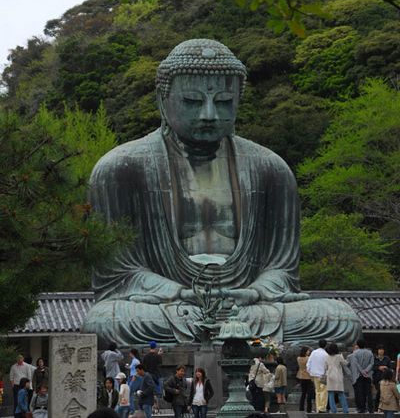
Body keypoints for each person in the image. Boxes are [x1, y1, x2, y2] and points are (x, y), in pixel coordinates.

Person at [82, 39, 361, 346]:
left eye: (224, 101)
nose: (209, 114)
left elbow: (281, 269)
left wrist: (253, 292)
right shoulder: (120, 168)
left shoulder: (271, 169)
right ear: (163, 99)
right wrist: (179, 293)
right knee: (105, 320)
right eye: (192, 101)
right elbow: (119, 274)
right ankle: (224, 333)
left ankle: (219, 332)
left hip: (249, 306)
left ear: (238, 100)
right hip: (171, 306)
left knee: (340, 318)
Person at [347, 339, 374, 413]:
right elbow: (371, 363)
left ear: (358, 345)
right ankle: (370, 408)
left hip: (358, 375)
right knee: (368, 393)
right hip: (367, 375)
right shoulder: (370, 352)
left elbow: (356, 363)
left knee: (360, 392)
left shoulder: (355, 353)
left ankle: (361, 408)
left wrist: (362, 371)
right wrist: (366, 371)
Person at [324, 342, 349, 414]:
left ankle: (333, 410)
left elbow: (325, 367)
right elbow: (345, 363)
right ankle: (345, 410)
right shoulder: (339, 356)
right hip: (338, 376)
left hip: (330, 376)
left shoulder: (327, 357)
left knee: (331, 394)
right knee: (341, 393)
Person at [307, 340, 328, 413]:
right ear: (325, 345)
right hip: (323, 375)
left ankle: (318, 407)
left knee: (317, 391)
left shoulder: (313, 353)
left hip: (314, 375)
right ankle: (322, 408)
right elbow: (327, 366)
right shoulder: (326, 354)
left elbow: (308, 364)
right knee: (324, 392)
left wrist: (310, 372)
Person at [373, 345, 391, 411]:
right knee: (379, 393)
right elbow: (372, 367)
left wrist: (386, 368)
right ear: (377, 351)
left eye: (382, 349)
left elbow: (390, 368)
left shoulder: (387, 358)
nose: (381, 351)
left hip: (385, 379)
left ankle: (383, 407)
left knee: (384, 393)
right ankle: (376, 407)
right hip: (377, 379)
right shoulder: (374, 358)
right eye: (380, 349)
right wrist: (378, 367)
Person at [297, 346, 313, 413]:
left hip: (301, 376)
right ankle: (309, 409)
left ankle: (301, 408)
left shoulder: (298, 358)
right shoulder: (308, 358)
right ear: (305, 351)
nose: (309, 352)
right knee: (309, 394)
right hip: (308, 376)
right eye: (308, 351)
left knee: (303, 393)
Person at [126, 349, 141, 414]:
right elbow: (131, 368)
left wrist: (134, 376)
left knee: (130, 393)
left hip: (134, 377)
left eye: (130, 353)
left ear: (132, 353)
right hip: (133, 377)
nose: (129, 354)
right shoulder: (135, 360)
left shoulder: (135, 361)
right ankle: (133, 409)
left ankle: (132, 409)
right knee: (131, 393)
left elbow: (137, 370)